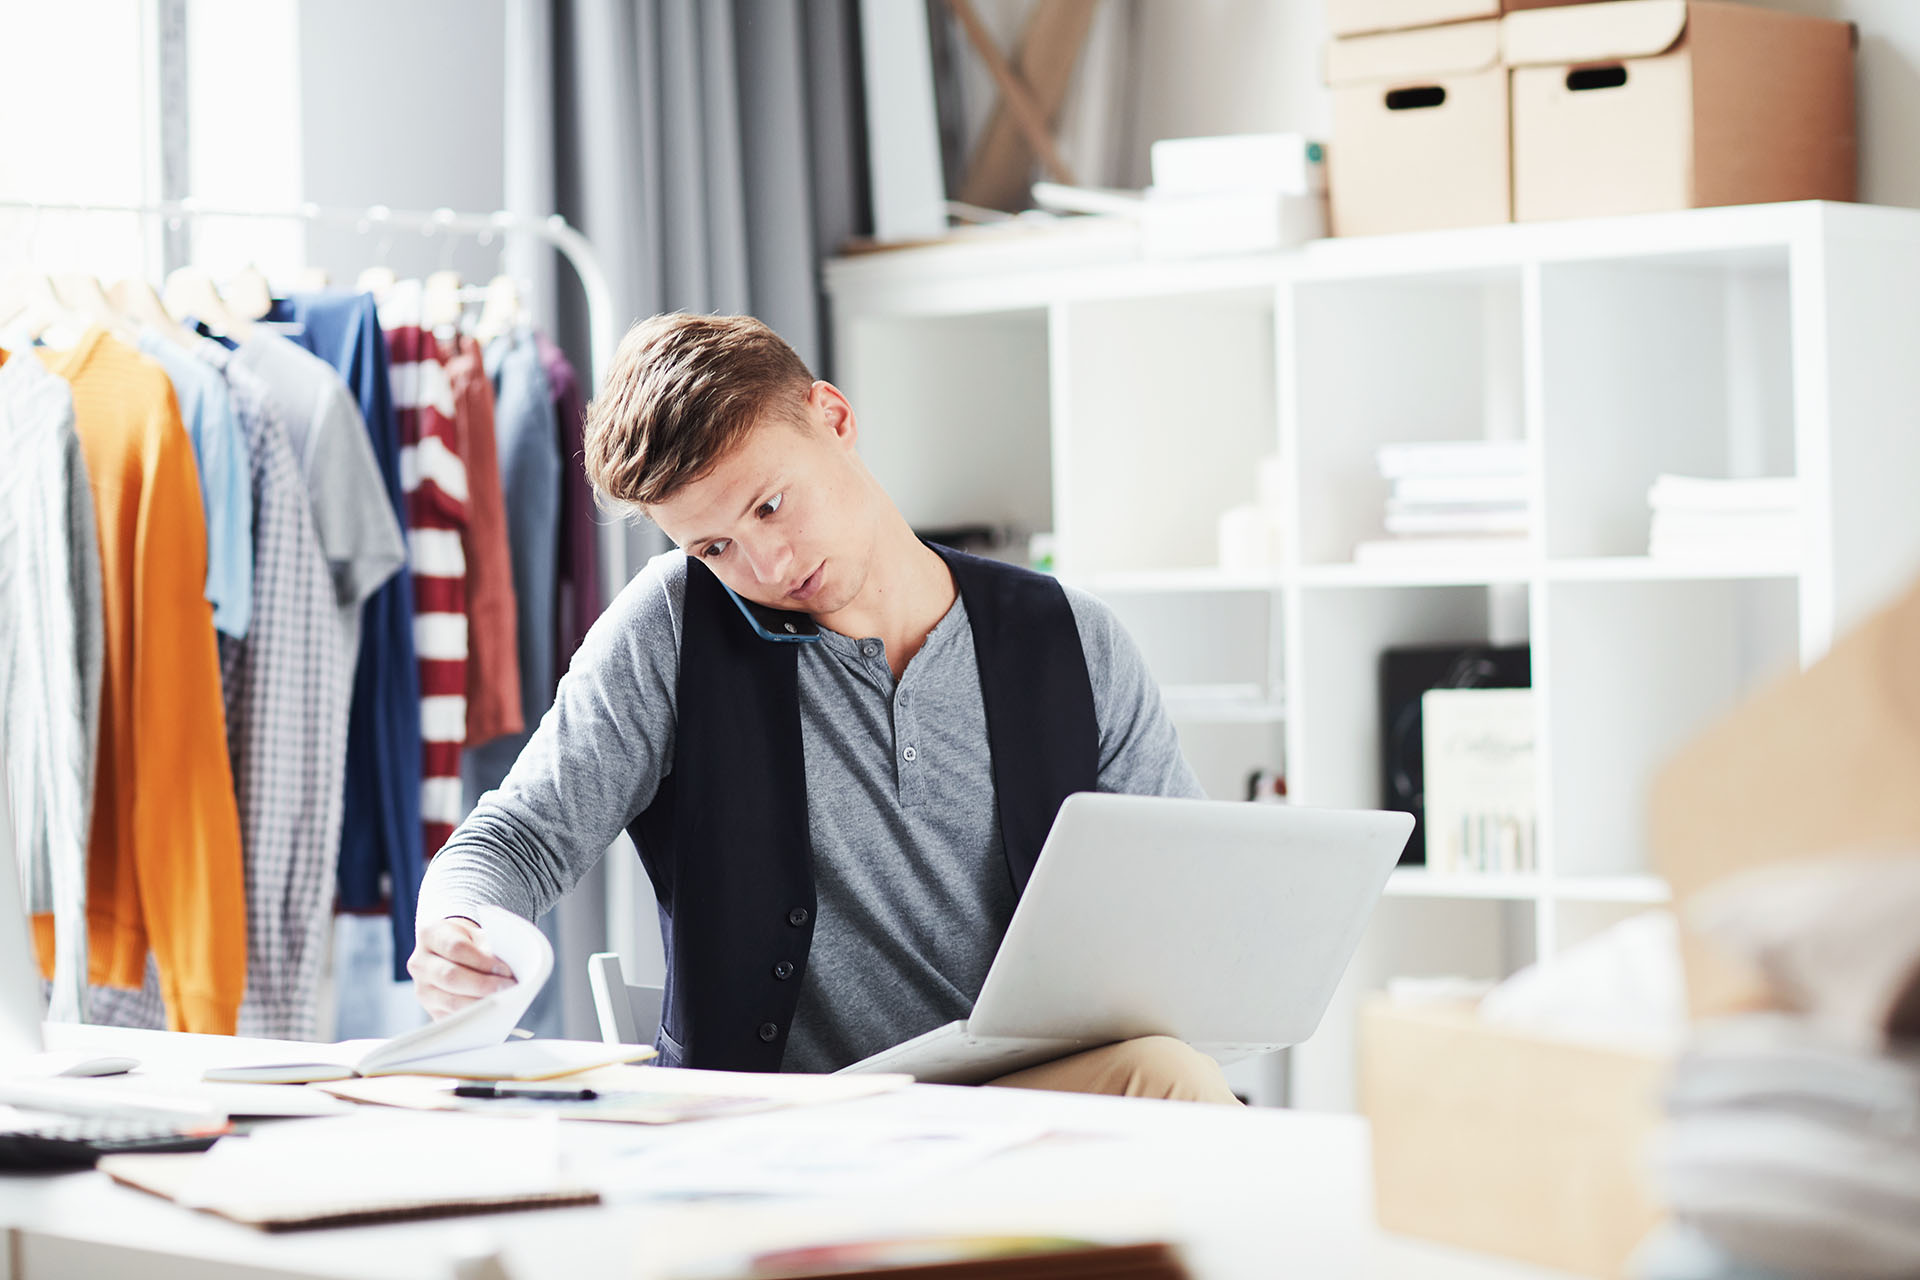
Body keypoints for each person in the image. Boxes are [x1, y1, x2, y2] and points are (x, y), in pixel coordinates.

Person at [410, 313, 1238, 1104]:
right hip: (791, 1125)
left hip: (1028, 1105)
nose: (767, 566)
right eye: (715, 547)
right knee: (1167, 1081)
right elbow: (516, 838)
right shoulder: (672, 628)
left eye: (770, 505)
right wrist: (458, 925)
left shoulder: (1073, 639)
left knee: (1166, 1069)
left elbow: (1185, 888)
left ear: (833, 418)